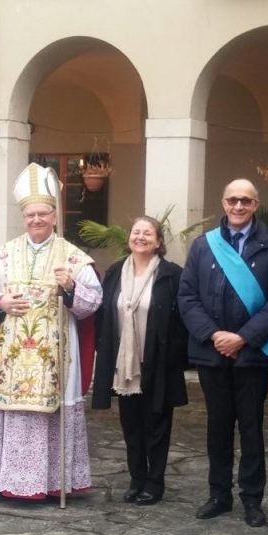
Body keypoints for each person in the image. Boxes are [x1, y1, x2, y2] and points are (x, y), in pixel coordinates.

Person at [0, 162, 102, 499]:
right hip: (11, 358)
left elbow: (93, 301)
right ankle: (5, 480)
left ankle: (51, 483)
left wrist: (71, 287)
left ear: (54, 216)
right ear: (23, 217)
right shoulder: (2, 256)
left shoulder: (73, 258)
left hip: (54, 358)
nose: (36, 220)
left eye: (43, 214)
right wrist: (0, 301)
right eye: (30, 215)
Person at [178, 182, 268, 525]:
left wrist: (242, 338)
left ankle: (252, 499)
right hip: (213, 352)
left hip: (252, 353)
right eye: (232, 200)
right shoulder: (203, 245)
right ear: (223, 202)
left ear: (255, 204)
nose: (238, 206)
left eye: (245, 200)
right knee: (218, 425)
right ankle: (219, 495)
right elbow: (187, 296)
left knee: (251, 427)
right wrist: (214, 335)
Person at [94, 216, 190, 506]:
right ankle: (137, 478)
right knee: (131, 424)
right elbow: (103, 314)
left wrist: (176, 353)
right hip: (124, 364)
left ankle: (154, 482)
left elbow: (183, 317)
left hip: (159, 361)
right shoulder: (114, 273)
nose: (141, 237)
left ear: (158, 242)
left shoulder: (172, 275)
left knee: (157, 424)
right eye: (136, 232)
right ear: (129, 239)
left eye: (148, 233)